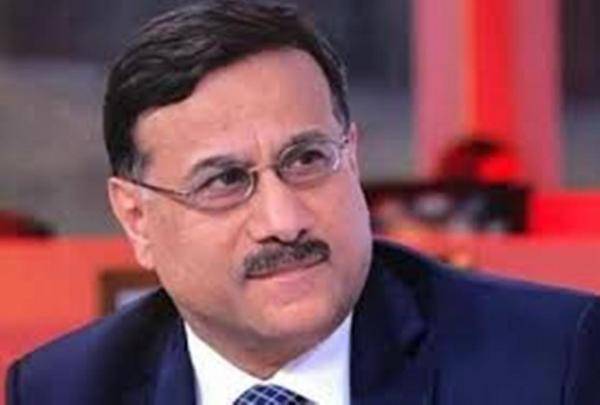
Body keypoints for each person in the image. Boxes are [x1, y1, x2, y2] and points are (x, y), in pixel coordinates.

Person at [6, 1, 600, 404]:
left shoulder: (550, 363)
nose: (284, 221)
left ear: (352, 157)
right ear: (137, 219)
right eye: (225, 181)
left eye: (307, 160)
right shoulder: (65, 390)